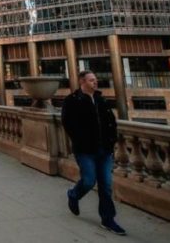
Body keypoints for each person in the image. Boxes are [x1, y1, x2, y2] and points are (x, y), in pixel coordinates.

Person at [61, 70, 125, 236]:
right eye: (91, 80)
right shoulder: (72, 100)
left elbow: (111, 121)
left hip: (104, 149)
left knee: (106, 186)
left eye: (95, 79)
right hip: (85, 150)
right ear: (82, 82)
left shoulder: (101, 99)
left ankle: (108, 219)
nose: (95, 82)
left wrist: (111, 141)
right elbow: (67, 123)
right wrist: (80, 140)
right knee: (89, 181)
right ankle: (73, 194)